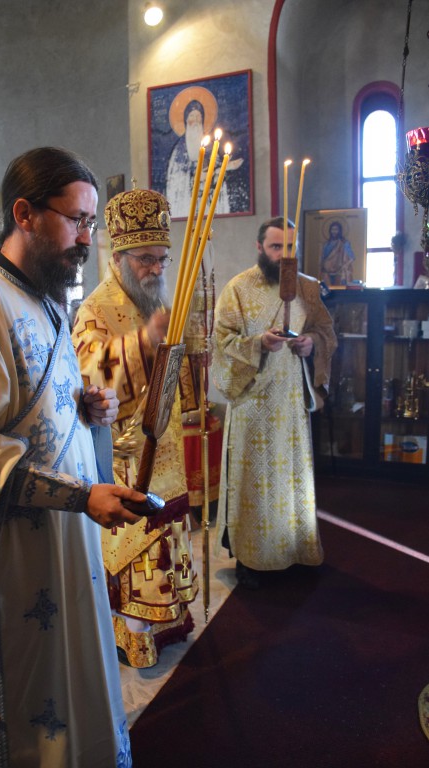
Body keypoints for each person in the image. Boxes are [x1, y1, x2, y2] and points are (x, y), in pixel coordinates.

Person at [0, 146, 148, 767]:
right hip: (9, 557)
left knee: (68, 685)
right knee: (25, 709)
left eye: (91, 223)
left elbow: (34, 411)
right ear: (25, 214)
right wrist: (81, 495)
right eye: (76, 220)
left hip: (64, 543)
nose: (86, 239)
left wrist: (87, 409)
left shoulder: (45, 300)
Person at [72, 187, 199, 668]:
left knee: (168, 545)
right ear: (118, 257)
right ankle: (135, 640)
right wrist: (144, 342)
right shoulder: (95, 309)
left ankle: (169, 623)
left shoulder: (154, 301)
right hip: (125, 459)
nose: (156, 269)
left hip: (165, 452)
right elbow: (90, 381)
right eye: (146, 259)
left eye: (162, 259)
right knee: (137, 552)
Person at [211, 216, 337, 589]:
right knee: (255, 483)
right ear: (260, 248)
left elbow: (325, 332)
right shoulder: (238, 288)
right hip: (252, 402)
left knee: (292, 480)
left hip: (291, 403)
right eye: (276, 246)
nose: (284, 255)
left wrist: (311, 343)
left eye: (290, 247)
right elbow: (221, 342)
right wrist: (258, 343)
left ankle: (296, 550)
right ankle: (251, 559)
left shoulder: (307, 288)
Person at [165, 97, 242, 218]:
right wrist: (195, 176)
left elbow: (215, 171)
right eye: (192, 116)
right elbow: (176, 177)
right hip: (187, 199)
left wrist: (224, 168)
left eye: (198, 116)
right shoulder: (180, 148)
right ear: (186, 119)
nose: (196, 120)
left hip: (207, 199)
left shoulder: (210, 145)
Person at [320, 220, 356, 286]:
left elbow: (352, 257)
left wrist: (345, 265)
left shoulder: (344, 243)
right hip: (327, 272)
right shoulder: (326, 244)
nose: (334, 231)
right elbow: (323, 258)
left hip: (339, 272)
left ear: (339, 231)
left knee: (338, 289)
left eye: (336, 229)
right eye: (332, 229)